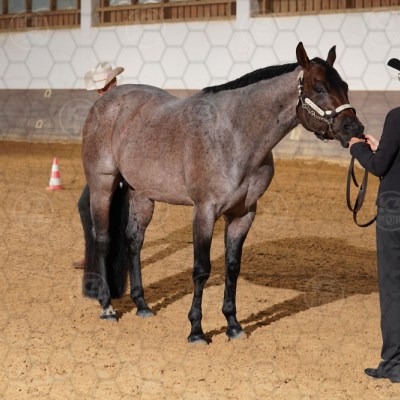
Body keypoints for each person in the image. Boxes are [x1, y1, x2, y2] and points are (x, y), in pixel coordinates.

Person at [349, 57, 400, 383]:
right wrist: (383, 148)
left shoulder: (397, 116)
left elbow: (379, 166)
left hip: (395, 213)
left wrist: (357, 149)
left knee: (393, 285)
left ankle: (394, 363)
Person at [73, 62, 124, 268]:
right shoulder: (103, 107)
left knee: (114, 212)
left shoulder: (125, 103)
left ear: (114, 83)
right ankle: (92, 253)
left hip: (123, 169)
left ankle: (111, 257)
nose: (100, 92)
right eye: (98, 89)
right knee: (85, 205)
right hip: (105, 170)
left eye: (103, 87)